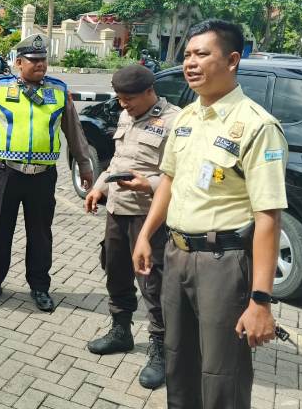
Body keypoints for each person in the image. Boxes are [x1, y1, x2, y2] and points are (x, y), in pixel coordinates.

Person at [132, 19, 288, 408]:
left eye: (202, 54)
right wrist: (146, 234)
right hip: (176, 255)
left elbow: (268, 216)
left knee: (222, 373)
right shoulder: (185, 118)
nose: (191, 63)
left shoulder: (257, 126)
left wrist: (261, 302)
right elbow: (168, 180)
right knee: (178, 363)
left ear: (232, 60)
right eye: (187, 54)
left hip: (223, 263)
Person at [0, 33, 93, 312]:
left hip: (43, 175)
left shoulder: (59, 91)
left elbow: (75, 133)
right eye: (34, 60)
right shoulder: (0, 89)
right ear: (18, 62)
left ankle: (39, 287)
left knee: (40, 233)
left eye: (43, 60)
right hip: (6, 172)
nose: (40, 65)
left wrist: (85, 167)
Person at [83, 64, 180, 389]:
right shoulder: (126, 115)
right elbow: (117, 160)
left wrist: (147, 185)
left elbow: (176, 176)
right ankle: (120, 331)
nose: (123, 105)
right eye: (120, 99)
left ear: (149, 92)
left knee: (152, 283)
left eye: (129, 99)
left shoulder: (174, 121)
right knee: (116, 272)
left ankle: (160, 350)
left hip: (148, 217)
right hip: (117, 211)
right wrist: (99, 186)